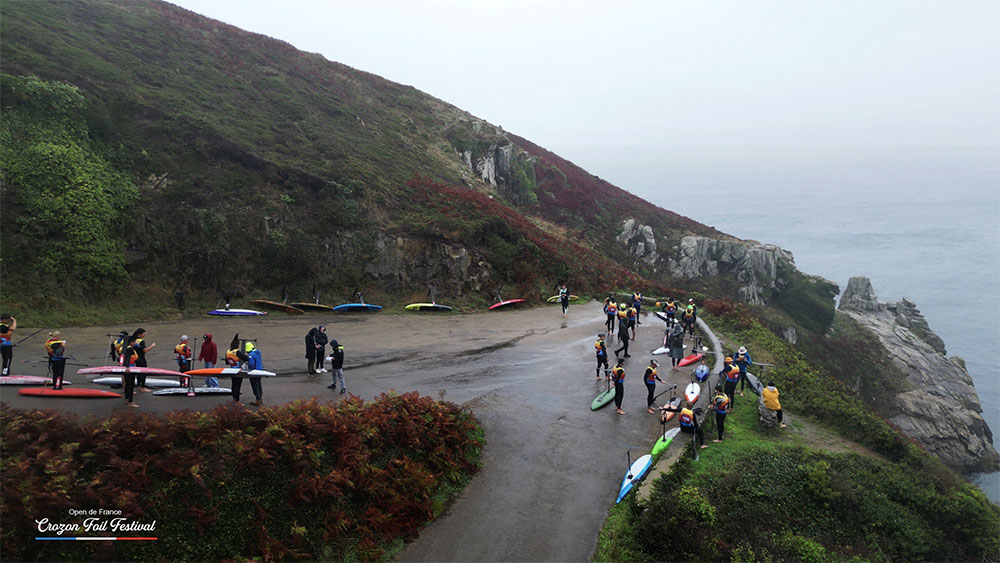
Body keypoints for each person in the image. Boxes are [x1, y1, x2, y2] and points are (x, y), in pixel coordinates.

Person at [120, 337, 140, 408]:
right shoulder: (129, 349)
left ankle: (127, 399)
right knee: (130, 385)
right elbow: (127, 357)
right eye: (134, 342)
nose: (135, 343)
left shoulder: (124, 348)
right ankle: (130, 402)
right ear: (131, 342)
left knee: (127, 384)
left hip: (125, 368)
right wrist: (127, 367)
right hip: (130, 369)